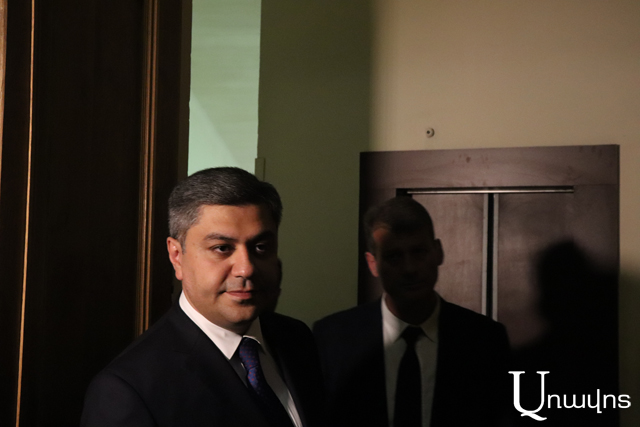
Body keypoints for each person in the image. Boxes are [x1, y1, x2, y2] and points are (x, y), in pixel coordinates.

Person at [81, 167, 325, 427]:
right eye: (222, 248)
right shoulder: (128, 391)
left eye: (260, 247)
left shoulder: (297, 339)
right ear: (177, 256)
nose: (246, 268)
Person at [313, 196, 510, 427]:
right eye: (394, 256)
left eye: (418, 252)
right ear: (373, 263)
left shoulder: (484, 340)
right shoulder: (333, 339)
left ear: (438, 252)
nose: (409, 268)